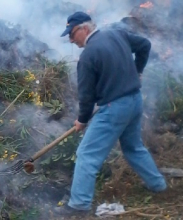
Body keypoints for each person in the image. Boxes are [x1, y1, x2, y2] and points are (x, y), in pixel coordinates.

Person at [56, 11, 167, 217]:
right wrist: (138, 71)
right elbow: (145, 45)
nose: (71, 40)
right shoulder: (117, 33)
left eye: (71, 34)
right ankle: (158, 184)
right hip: (134, 101)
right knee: (133, 147)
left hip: (113, 110)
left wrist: (81, 120)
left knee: (86, 155)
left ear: (84, 28)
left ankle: (79, 205)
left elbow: (86, 96)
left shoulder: (88, 57)